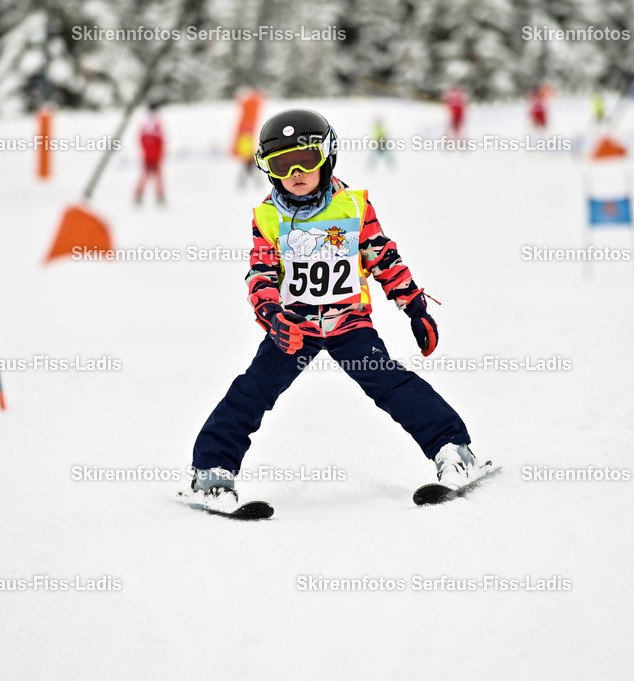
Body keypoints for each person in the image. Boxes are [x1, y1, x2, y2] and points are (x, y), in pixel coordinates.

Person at [184, 109, 479, 508]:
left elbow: (382, 257)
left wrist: (414, 306)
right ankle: (213, 471)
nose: (296, 172)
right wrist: (272, 315)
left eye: (306, 159)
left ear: (328, 155)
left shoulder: (352, 208)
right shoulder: (268, 217)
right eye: (282, 164)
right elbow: (261, 274)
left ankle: (453, 450)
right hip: (294, 326)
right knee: (254, 389)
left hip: (348, 323)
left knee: (390, 383)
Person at [134, 103, 165, 205]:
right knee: (156, 176)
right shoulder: (156, 123)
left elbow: (141, 139)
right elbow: (160, 140)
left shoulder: (145, 122)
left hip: (148, 154)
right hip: (154, 154)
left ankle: (139, 195)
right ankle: (159, 196)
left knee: (145, 176)